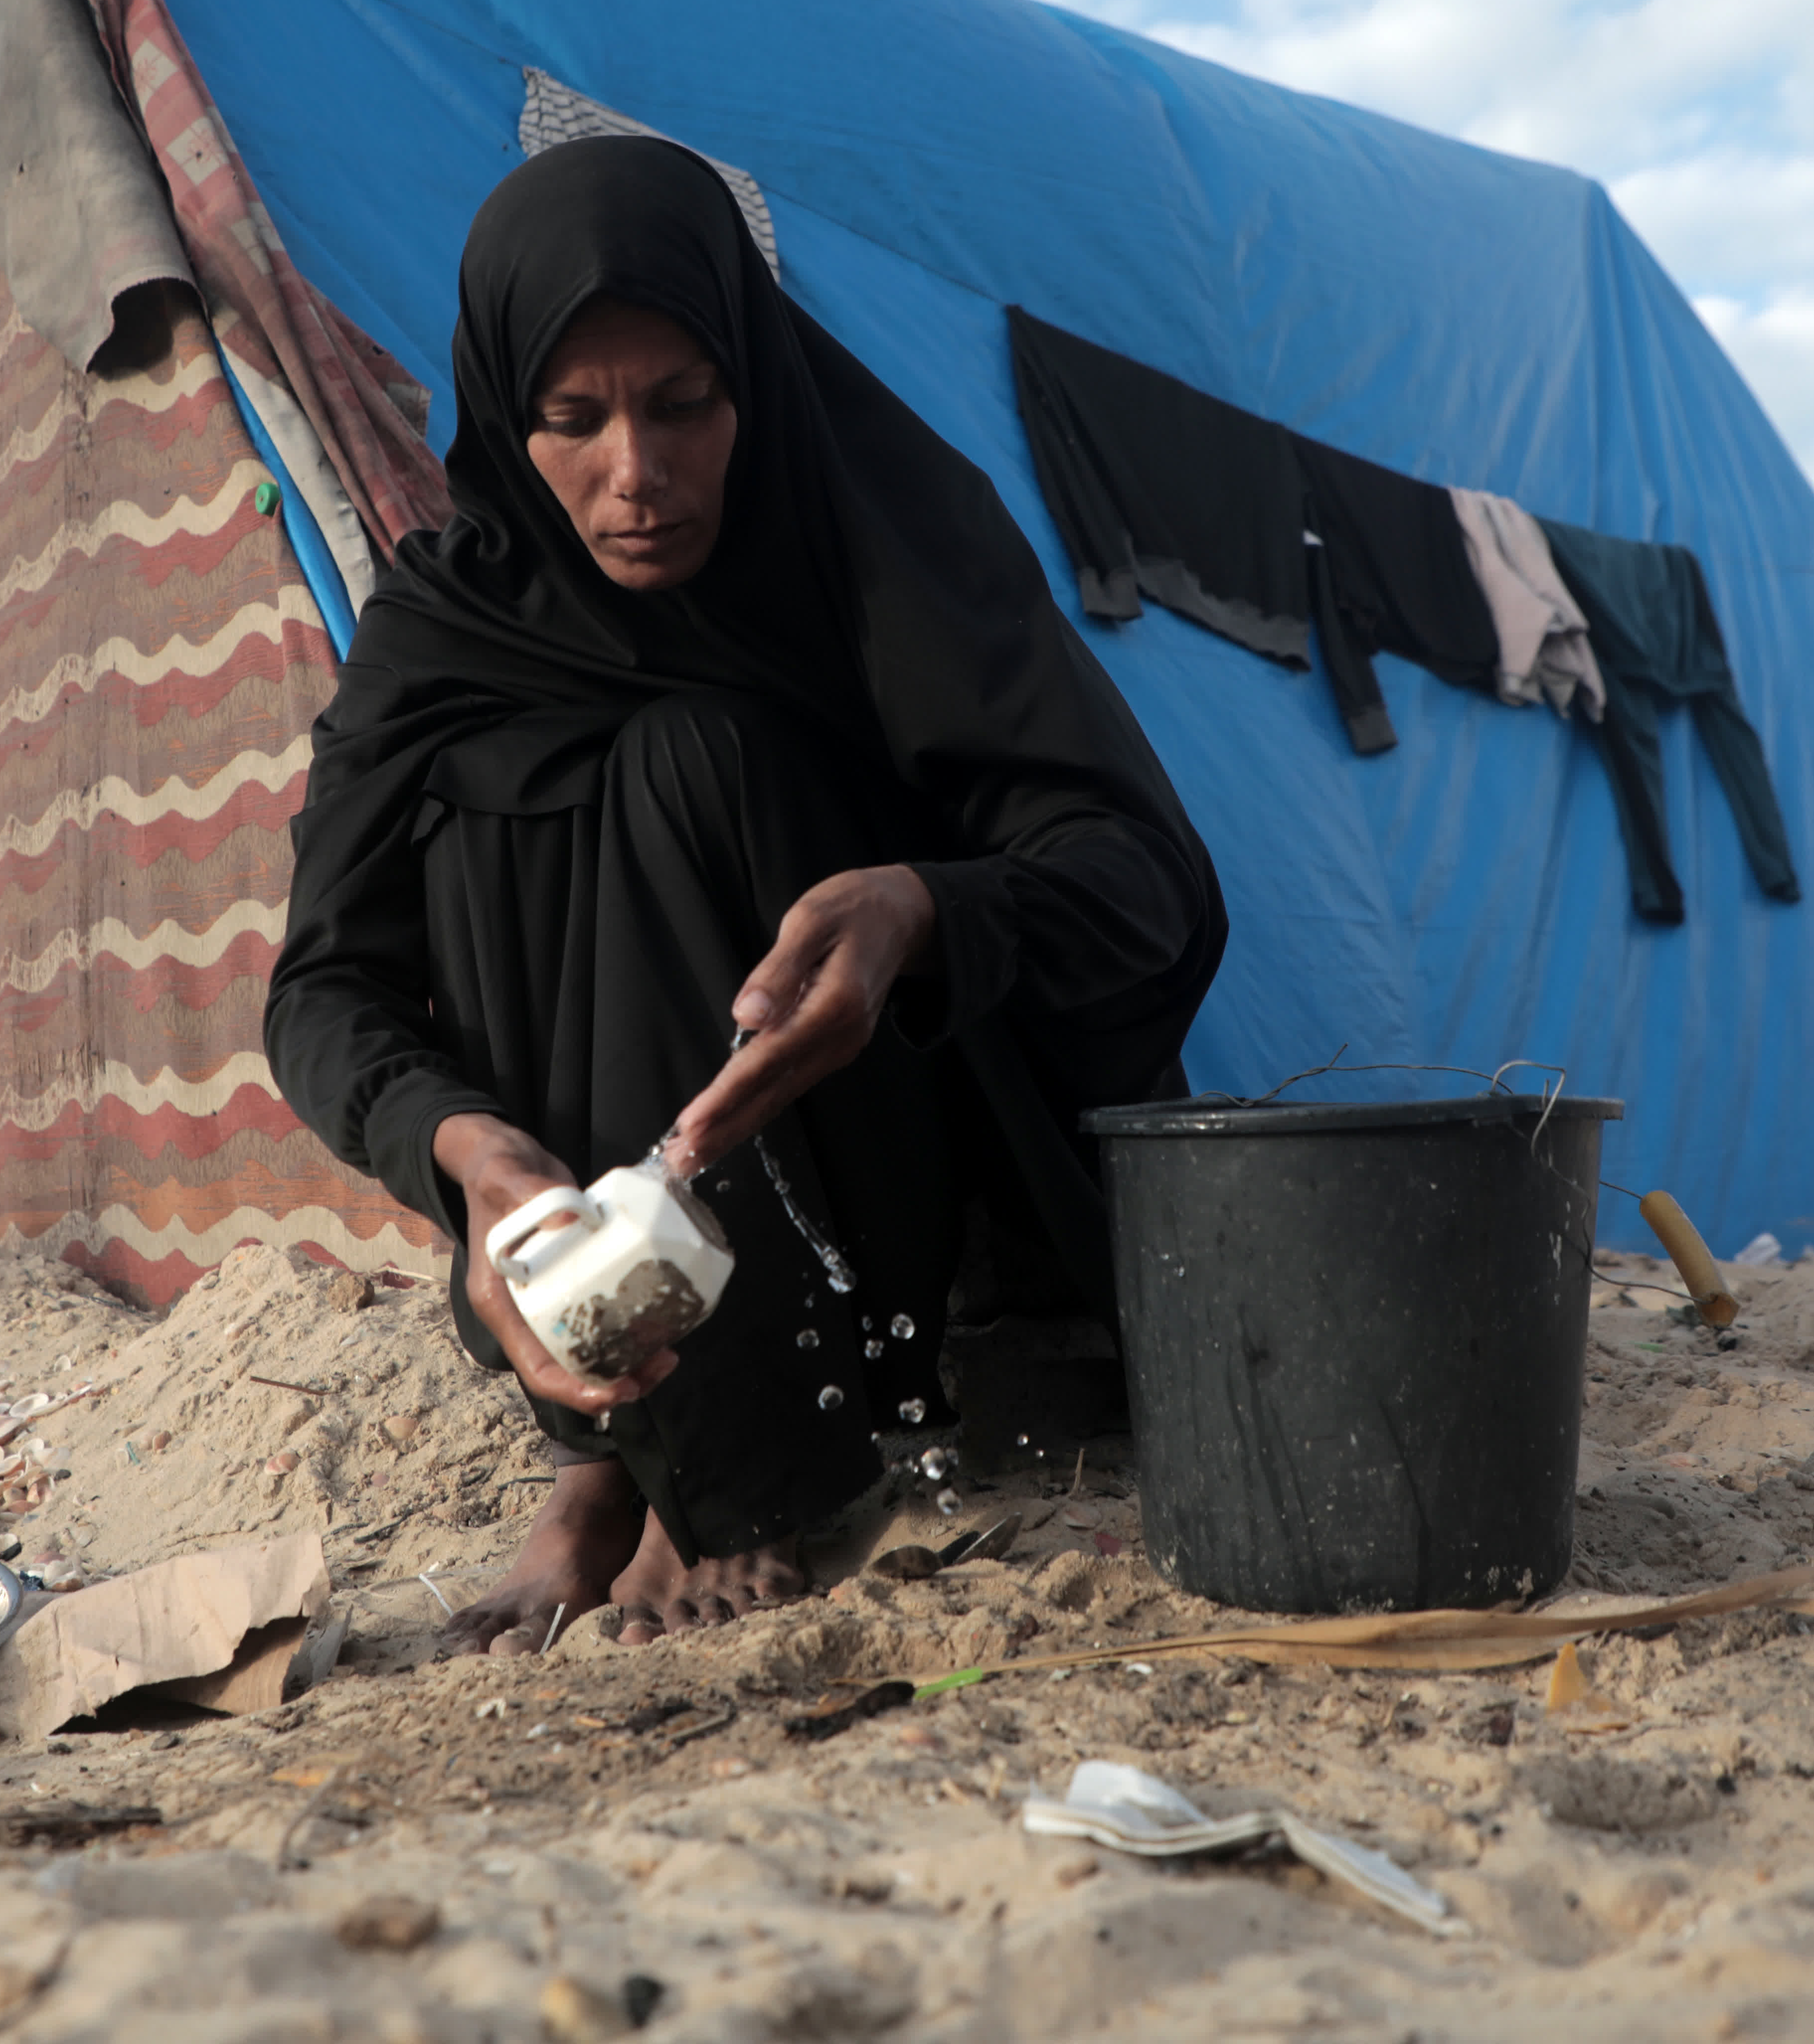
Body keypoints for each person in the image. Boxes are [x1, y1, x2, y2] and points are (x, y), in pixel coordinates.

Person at [264, 138, 1226, 1653]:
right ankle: (609, 1454)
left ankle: (759, 1457)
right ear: (508, 420)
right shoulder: (443, 627)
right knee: (495, 785)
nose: (633, 474)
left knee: (690, 752)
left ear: (753, 386)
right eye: (570, 422)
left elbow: (1147, 883)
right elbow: (322, 986)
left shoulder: (884, 540)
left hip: (917, 1175)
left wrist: (920, 908)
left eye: (683, 405)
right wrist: (458, 1151)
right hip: (603, 1221)